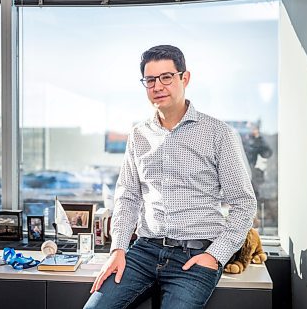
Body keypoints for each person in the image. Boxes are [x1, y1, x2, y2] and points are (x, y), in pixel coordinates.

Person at [84, 45, 257, 309]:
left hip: (196, 254)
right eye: (150, 80)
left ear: (184, 78)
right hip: (144, 251)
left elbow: (244, 203)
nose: (158, 86)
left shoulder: (217, 133)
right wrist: (118, 249)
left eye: (166, 77)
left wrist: (215, 255)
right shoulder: (139, 135)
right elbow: (128, 196)